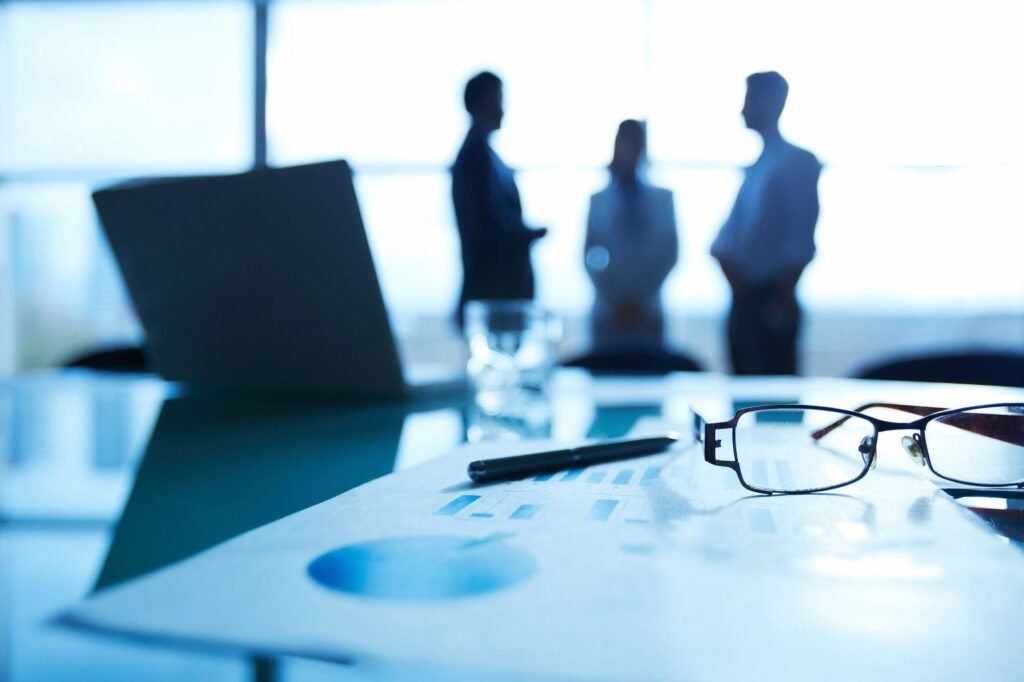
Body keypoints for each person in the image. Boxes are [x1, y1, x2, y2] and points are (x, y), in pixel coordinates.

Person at [711, 72, 821, 375]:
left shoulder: (797, 162)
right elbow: (724, 242)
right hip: (745, 301)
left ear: (772, 102)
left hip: (770, 303)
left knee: (774, 408)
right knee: (741, 407)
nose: (743, 109)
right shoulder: (757, 166)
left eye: (749, 99)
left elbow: (799, 240)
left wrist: (779, 299)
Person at [451, 71, 546, 325]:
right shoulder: (474, 159)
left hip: (501, 294)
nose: (503, 109)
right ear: (480, 104)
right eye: (498, 100)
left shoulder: (485, 156)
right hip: (493, 294)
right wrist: (526, 235)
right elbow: (484, 229)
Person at [584, 119, 678, 351]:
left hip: (647, 312)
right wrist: (614, 300)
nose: (631, 148)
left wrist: (640, 302)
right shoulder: (598, 200)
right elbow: (589, 255)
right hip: (609, 313)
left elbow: (669, 253)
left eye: (636, 142)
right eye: (625, 141)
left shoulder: (664, 198)